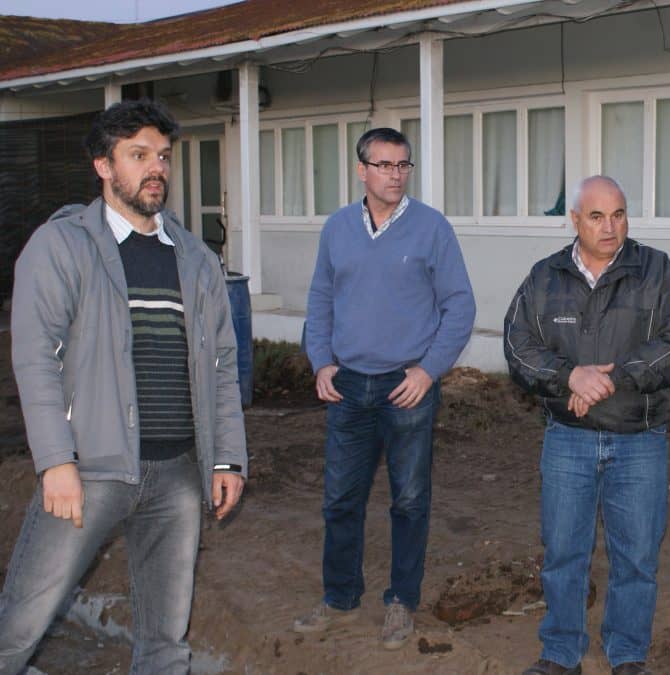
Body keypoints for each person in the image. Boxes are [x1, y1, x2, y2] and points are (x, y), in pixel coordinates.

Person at [0, 99, 247, 674]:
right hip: (89, 471)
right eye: (138, 155)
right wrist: (55, 461)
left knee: (166, 640)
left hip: (178, 474)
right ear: (104, 166)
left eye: (162, 156)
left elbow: (222, 364)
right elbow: (35, 360)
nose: (156, 167)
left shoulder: (195, 259)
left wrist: (228, 457)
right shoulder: (61, 247)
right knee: (20, 625)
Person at [505, 176, 670, 675]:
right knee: (563, 552)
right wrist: (570, 376)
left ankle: (628, 654)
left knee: (636, 555)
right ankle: (560, 653)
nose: (610, 227)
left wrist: (613, 379)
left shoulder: (658, 272)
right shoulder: (545, 278)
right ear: (575, 220)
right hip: (567, 439)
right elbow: (518, 346)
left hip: (640, 439)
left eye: (618, 214)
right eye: (596, 216)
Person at [297, 127, 476, 650]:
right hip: (348, 386)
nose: (395, 175)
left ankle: (401, 601)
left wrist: (428, 371)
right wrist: (321, 362)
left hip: (407, 387)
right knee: (340, 500)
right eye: (384, 165)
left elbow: (460, 305)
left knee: (410, 501)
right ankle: (340, 598)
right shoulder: (337, 228)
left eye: (403, 165)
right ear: (362, 170)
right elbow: (320, 298)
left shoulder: (432, 228)